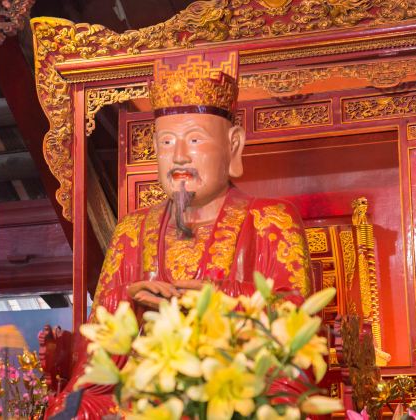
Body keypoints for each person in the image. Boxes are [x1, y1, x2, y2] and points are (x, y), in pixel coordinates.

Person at [46, 49, 313, 419]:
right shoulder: (131, 230)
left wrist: (218, 299)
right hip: (145, 392)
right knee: (73, 408)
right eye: (167, 143)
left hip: (236, 384)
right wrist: (129, 307)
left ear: (233, 145)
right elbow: (95, 351)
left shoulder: (270, 219)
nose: (180, 157)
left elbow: (298, 325)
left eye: (195, 140)